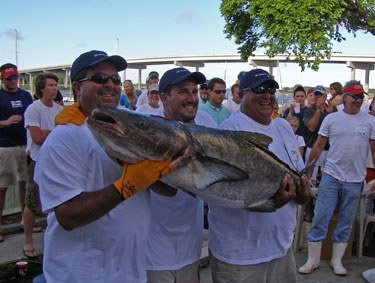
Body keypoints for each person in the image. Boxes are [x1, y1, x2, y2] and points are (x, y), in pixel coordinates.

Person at [34, 50, 173, 282]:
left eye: (115, 80)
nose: (110, 84)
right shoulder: (63, 138)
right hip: (80, 274)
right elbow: (67, 216)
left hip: (131, 272)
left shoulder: (133, 128)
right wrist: (126, 187)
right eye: (100, 78)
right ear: (77, 88)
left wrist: (159, 173)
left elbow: (168, 190)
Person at [208, 69, 309, 283]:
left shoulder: (283, 126)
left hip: (281, 249)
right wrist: (273, 202)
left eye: (271, 89)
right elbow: (222, 192)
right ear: (242, 94)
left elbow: (298, 179)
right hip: (240, 257)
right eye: (259, 89)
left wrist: (302, 194)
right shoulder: (228, 132)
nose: (267, 94)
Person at [146, 67, 216, 283]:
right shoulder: (149, 128)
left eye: (194, 92)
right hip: (152, 252)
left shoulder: (206, 122)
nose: (192, 98)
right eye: (183, 92)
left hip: (190, 248)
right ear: (164, 98)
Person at [299, 81, 375, 276]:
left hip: (355, 179)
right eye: (355, 96)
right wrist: (309, 169)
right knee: (320, 217)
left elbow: (374, 151)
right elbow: (318, 145)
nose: (359, 100)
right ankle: (313, 260)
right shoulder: (332, 119)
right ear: (346, 97)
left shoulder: (370, 121)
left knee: (346, 221)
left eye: (361, 97)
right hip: (331, 176)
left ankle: (336, 261)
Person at [23, 73, 63, 258]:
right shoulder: (33, 109)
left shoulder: (59, 109)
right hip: (38, 161)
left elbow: (63, 136)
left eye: (55, 85)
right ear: (41, 89)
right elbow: (37, 138)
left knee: (57, 202)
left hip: (56, 162)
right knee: (32, 204)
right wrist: (52, 133)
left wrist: (49, 132)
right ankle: (28, 241)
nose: (54, 88)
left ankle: (54, 241)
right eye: (50, 85)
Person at [0, 63, 33, 243]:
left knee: (25, 185)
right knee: (2, 188)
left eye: (15, 77)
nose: (13, 81)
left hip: (25, 145)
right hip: (5, 147)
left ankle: (25, 220)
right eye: (9, 78)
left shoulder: (25, 95)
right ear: (2, 79)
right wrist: (5, 122)